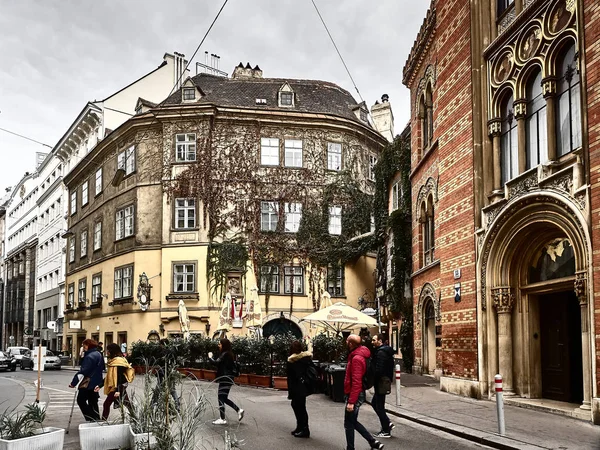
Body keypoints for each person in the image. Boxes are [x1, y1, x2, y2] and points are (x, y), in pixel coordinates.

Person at [343, 334, 384, 450]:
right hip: (356, 393)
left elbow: (356, 381)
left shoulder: (356, 358)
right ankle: (373, 442)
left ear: (351, 344)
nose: (346, 343)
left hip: (355, 393)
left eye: (347, 341)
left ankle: (354, 447)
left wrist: (351, 401)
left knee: (349, 423)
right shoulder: (360, 354)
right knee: (351, 421)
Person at [94, 343, 135, 420]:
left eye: (108, 350)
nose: (107, 352)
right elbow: (110, 376)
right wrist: (100, 385)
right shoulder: (113, 361)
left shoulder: (118, 362)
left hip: (117, 386)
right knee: (127, 403)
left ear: (112, 351)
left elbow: (119, 377)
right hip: (118, 386)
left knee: (106, 404)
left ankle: (103, 420)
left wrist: (118, 390)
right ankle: (135, 418)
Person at [208, 338, 243, 425]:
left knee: (221, 397)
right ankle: (238, 410)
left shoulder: (225, 354)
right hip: (228, 378)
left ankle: (222, 418)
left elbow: (216, 363)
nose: (218, 345)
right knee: (224, 398)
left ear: (224, 345)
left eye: (220, 344)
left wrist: (210, 357)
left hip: (225, 378)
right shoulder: (229, 354)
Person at [69, 339, 105, 422]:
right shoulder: (99, 354)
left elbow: (83, 371)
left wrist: (73, 383)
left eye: (84, 345)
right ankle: (96, 418)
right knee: (93, 401)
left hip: (88, 382)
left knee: (81, 400)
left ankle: (91, 417)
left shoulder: (89, 356)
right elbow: (102, 367)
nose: (83, 347)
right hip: (97, 381)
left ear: (88, 345)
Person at [286, 340, 313, 438]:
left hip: (297, 387)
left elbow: (293, 375)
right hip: (303, 387)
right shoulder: (306, 358)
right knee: (300, 407)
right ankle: (301, 427)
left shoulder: (293, 360)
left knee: (299, 407)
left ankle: (304, 429)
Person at [370, 335, 395, 439]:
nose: (372, 342)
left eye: (374, 340)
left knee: (379, 406)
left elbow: (379, 369)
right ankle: (387, 422)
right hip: (384, 381)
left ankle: (386, 430)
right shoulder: (385, 351)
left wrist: (373, 378)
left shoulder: (381, 353)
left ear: (380, 341)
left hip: (381, 382)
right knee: (374, 403)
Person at [152, 339, 180, 410]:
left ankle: (152, 404)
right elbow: (175, 362)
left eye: (160, 344)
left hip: (162, 373)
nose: (159, 346)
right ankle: (177, 404)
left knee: (158, 389)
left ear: (162, 344)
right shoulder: (172, 352)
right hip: (171, 372)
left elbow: (158, 362)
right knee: (172, 389)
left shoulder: (162, 352)